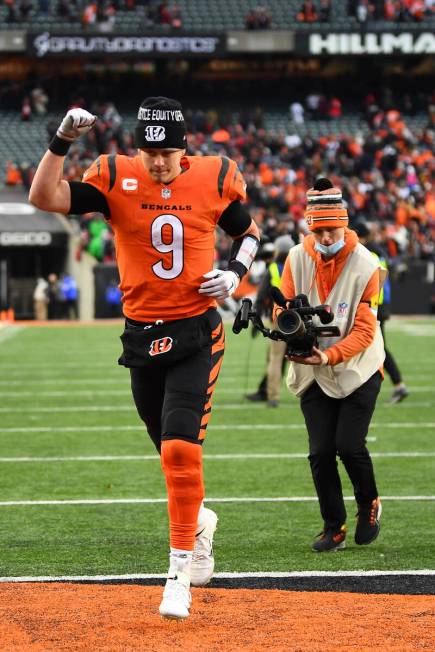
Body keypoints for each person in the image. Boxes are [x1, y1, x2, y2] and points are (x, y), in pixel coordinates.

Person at [29, 97, 260, 620]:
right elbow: (44, 196)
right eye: (150, 150)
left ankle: (177, 574)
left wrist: (235, 272)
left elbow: (247, 232)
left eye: (169, 151)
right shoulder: (115, 176)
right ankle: (198, 522)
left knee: (181, 450)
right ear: (139, 148)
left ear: (185, 148)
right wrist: (61, 141)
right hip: (141, 338)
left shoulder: (214, 176)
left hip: (196, 332)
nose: (159, 161)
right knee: (165, 449)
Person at [277, 178, 385, 552]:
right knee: (321, 451)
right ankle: (333, 526)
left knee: (349, 446)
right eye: (318, 230)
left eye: (332, 229)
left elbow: (365, 330)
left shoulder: (368, 263)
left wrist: (328, 354)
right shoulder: (294, 257)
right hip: (312, 371)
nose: (325, 237)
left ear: (345, 223)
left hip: (359, 368)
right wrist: (287, 327)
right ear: (309, 226)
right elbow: (283, 306)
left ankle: (368, 503)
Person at [355, 221, 409, 404]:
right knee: (375, 346)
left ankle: (398, 384)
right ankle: (395, 384)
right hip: (380, 304)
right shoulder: (377, 251)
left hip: (373, 306)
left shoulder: (366, 252)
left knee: (377, 348)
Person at [246, 234, 295, 407]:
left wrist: (255, 320)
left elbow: (260, 298)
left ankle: (272, 396)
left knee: (275, 358)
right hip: (299, 318)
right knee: (306, 357)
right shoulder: (299, 265)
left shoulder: (273, 268)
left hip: (279, 318)